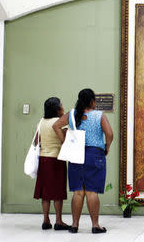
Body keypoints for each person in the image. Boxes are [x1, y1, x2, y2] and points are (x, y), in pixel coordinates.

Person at [53, 88, 113, 234]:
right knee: (92, 192)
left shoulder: (73, 114)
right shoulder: (99, 115)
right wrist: (107, 146)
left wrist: (64, 141)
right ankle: (95, 225)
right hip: (95, 154)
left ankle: (74, 225)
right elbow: (109, 134)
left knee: (78, 192)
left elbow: (56, 126)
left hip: (76, 154)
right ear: (92, 101)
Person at [33, 97, 70, 231]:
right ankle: (58, 221)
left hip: (43, 159)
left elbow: (37, 141)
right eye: (61, 105)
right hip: (56, 159)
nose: (63, 107)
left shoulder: (42, 121)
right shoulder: (58, 122)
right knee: (58, 192)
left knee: (45, 192)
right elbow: (64, 140)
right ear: (57, 108)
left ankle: (46, 220)